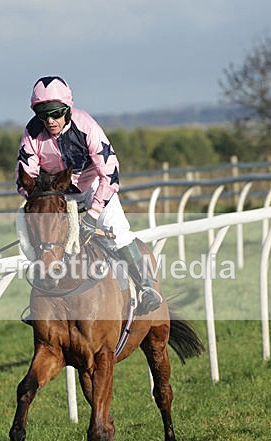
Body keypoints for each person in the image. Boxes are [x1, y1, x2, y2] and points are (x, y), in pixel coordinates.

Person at [15, 75, 162, 314]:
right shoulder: (32, 132)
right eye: (43, 114)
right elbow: (24, 176)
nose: (50, 120)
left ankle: (145, 287)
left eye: (56, 113)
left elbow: (110, 174)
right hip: (58, 194)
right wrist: (37, 198)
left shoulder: (86, 125)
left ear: (67, 109)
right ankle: (42, 300)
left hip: (94, 186)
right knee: (42, 236)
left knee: (117, 231)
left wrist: (93, 215)